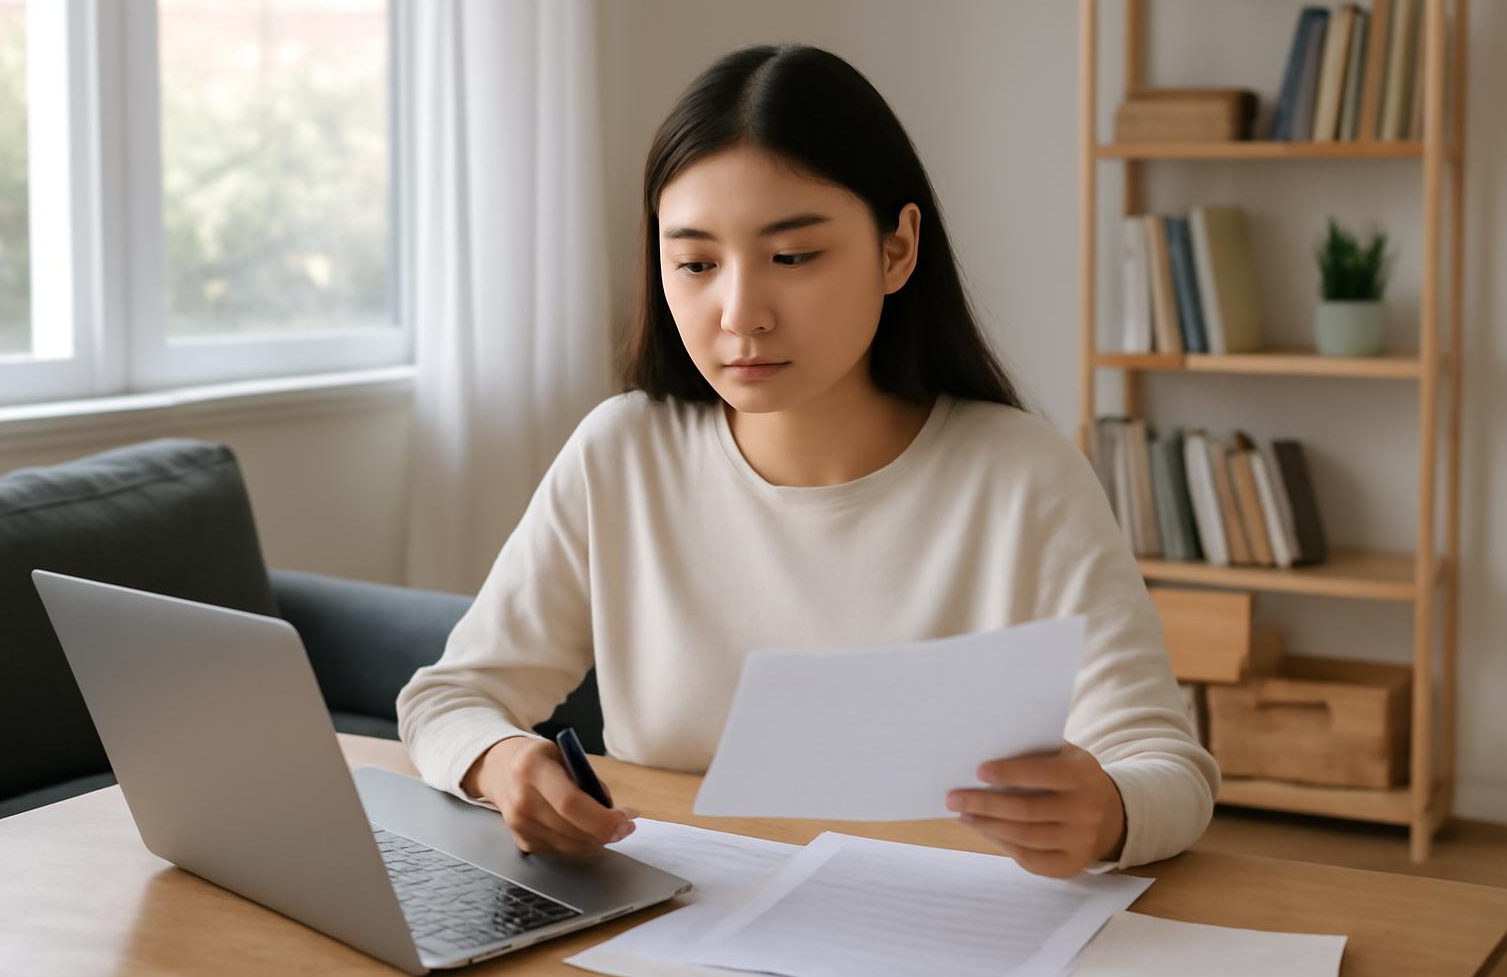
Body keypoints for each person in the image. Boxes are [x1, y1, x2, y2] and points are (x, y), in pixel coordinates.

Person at [397, 43, 1219, 879]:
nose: (741, 313)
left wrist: (1110, 813)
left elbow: (1167, 767)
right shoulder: (624, 454)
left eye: (792, 258)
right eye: (695, 263)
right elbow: (449, 698)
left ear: (898, 249)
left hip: (941, 927)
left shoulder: (1022, 479)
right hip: (681, 918)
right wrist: (502, 764)